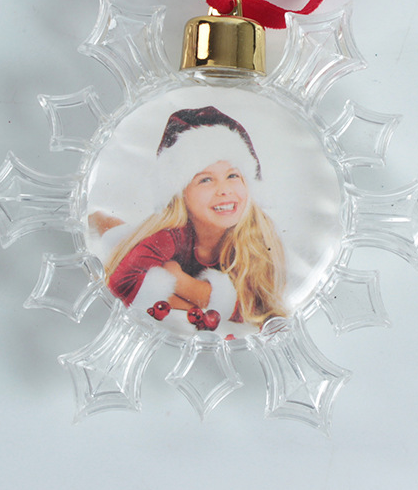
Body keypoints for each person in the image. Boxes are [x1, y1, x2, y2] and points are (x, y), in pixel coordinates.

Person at [97, 106, 287, 330]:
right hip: (129, 238)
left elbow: (257, 305)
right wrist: (199, 311)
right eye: (206, 180)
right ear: (181, 193)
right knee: (109, 228)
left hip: (175, 270)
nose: (224, 190)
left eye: (232, 175)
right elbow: (120, 285)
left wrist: (185, 284)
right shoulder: (169, 236)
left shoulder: (255, 233)